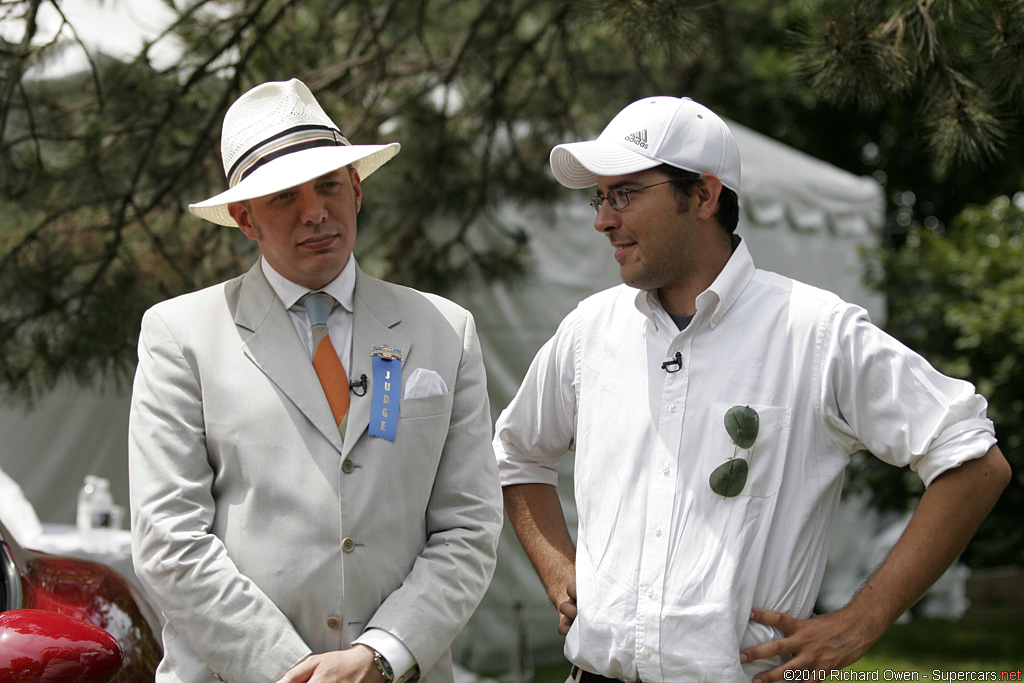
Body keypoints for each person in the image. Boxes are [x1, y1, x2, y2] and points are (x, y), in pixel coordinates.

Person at [493, 96, 1010, 683]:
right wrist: (562, 573)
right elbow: (518, 454)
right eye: (601, 196)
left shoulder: (814, 331)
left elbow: (972, 459)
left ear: (704, 196)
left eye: (625, 194)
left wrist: (864, 619)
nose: (602, 219)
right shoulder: (590, 330)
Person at [128, 78, 503, 683]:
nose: (314, 212)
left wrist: (381, 655)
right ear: (244, 219)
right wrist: (293, 672)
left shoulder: (445, 330)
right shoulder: (181, 335)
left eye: (329, 185)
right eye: (282, 197)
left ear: (356, 190)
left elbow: (469, 526)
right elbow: (169, 540)